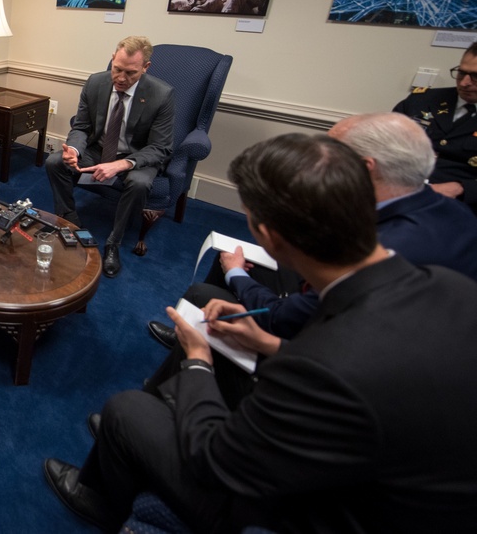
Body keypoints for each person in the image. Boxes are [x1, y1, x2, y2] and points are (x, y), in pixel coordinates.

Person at [44, 133, 477, 532]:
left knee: (127, 410)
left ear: (268, 237)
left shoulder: (321, 370)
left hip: (309, 513)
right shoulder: (450, 285)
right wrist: (267, 342)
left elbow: (218, 461)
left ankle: (99, 501)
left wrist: (197, 359)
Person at [145, 112, 477, 408]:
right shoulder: (438, 207)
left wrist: (237, 276)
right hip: (372, 340)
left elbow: (284, 319)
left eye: (329, 156)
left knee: (211, 291)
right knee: (223, 279)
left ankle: (179, 382)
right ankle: (189, 340)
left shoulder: (386, 252)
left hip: (337, 369)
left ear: (363, 169)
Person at [45, 35, 174, 278]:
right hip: (98, 149)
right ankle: (70, 221)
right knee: (55, 162)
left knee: (139, 183)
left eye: (131, 73)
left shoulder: (162, 95)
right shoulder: (95, 83)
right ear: (112, 59)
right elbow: (81, 127)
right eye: (117, 69)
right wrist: (74, 150)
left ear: (145, 68)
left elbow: (160, 147)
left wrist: (121, 164)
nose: (121, 78)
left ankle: (114, 241)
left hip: (137, 155)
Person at [393, 41, 477, 214]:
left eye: (476, 76)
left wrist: (460, 188)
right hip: (399, 187)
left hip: (458, 203)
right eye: (461, 73)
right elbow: (383, 141)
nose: (464, 83)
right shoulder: (423, 99)